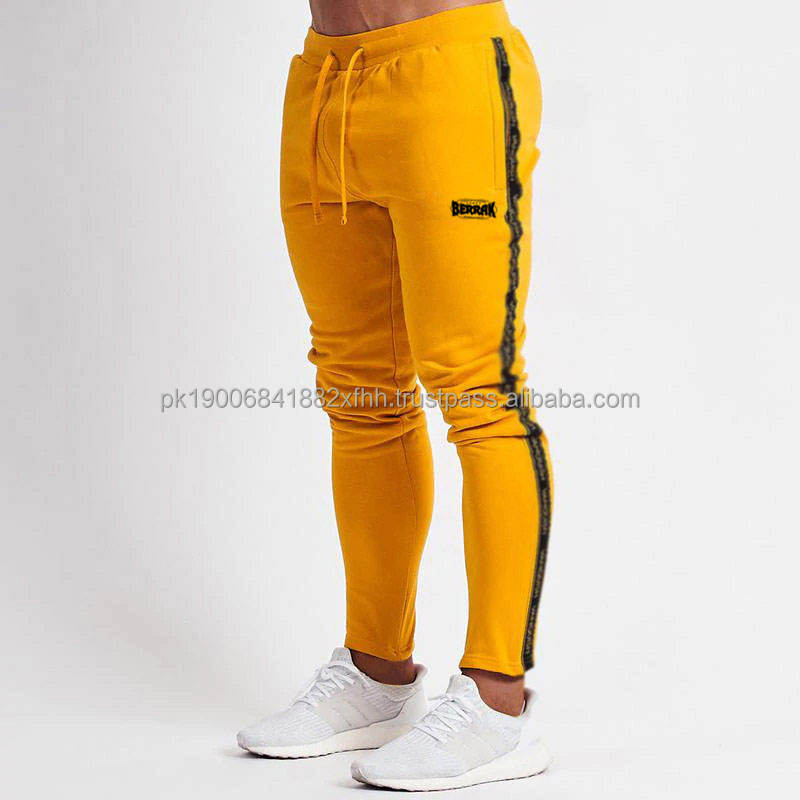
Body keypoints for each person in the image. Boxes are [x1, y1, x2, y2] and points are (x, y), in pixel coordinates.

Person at [237, 0, 553, 789]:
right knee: (359, 395)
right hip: (325, 81)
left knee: (480, 394)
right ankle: (377, 672)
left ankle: (497, 703)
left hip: (446, 75)